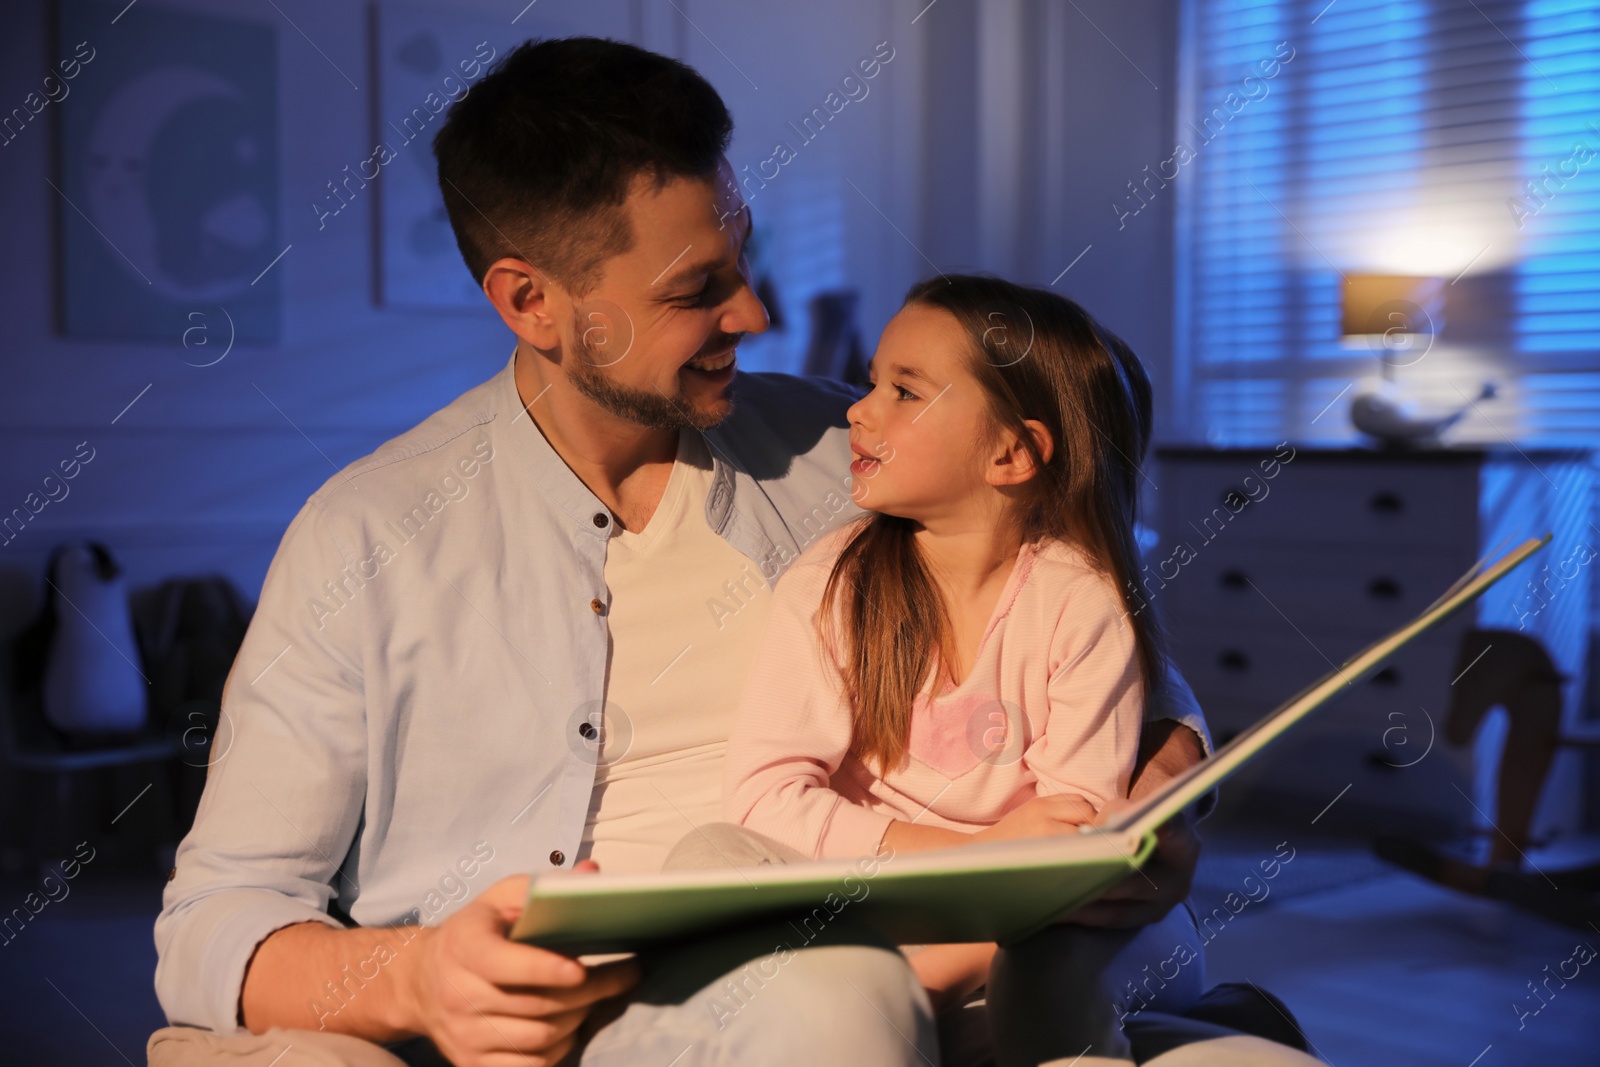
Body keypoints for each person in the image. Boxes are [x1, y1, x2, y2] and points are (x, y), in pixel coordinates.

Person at [149, 37, 1214, 1067]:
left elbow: (1112, 657)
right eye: (694, 289)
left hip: (917, 959)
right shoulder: (367, 537)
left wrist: (1155, 794)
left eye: (741, 256)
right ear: (532, 302)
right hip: (649, 1009)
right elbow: (217, 917)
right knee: (832, 990)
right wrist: (420, 976)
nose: (752, 312)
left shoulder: (848, 455)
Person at [722, 274, 1202, 1064]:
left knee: (1053, 959)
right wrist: (977, 854)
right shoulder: (830, 579)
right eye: (873, 381)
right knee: (716, 857)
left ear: (1012, 452)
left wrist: (955, 938)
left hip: (1029, 916)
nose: (859, 408)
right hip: (888, 890)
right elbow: (763, 797)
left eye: (904, 392)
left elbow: (1071, 839)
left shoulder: (1081, 604)